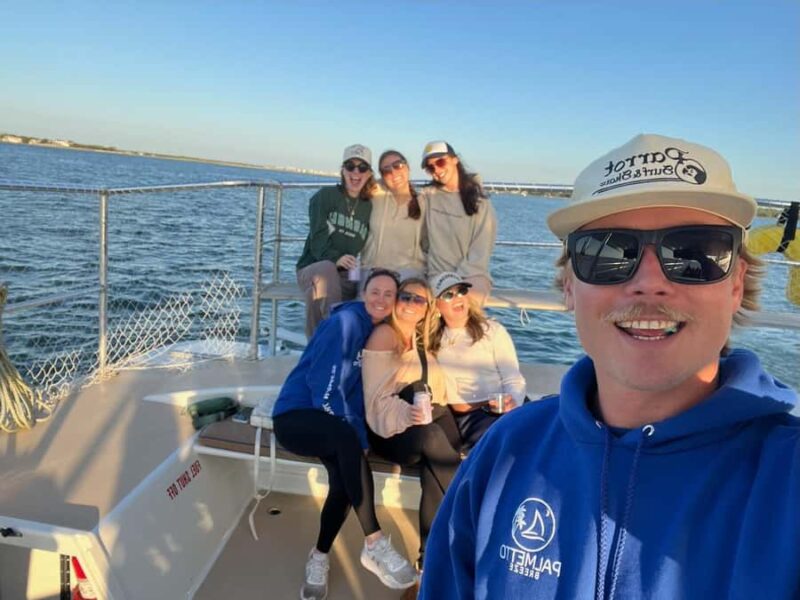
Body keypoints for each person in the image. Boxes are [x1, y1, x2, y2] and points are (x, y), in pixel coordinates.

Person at [420, 134, 800, 599]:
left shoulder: (787, 481)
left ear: (737, 284)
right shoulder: (506, 451)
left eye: (695, 253)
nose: (648, 282)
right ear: (568, 286)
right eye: (607, 251)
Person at [272, 269, 417, 599]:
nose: (380, 299)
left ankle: (319, 556)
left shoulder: (375, 330)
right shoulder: (346, 324)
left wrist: (356, 439)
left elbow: (353, 393)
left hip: (328, 422)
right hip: (295, 415)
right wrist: (352, 437)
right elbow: (323, 387)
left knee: (343, 479)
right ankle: (375, 542)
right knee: (347, 442)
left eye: (388, 295)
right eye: (375, 291)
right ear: (363, 293)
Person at [362, 277, 462, 572]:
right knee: (434, 438)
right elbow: (375, 401)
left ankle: (428, 562)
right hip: (389, 430)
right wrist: (409, 415)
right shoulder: (385, 335)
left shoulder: (419, 339)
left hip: (421, 425)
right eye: (405, 296)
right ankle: (477, 504)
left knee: (435, 471)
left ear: (427, 309)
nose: (409, 304)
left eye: (418, 300)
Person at [428, 271, 526, 452]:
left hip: (497, 409)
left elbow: (513, 378)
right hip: (465, 419)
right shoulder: (430, 340)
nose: (458, 298)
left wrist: (513, 403)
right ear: (436, 306)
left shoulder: (492, 331)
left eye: (461, 291)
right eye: (448, 295)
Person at [296, 143, 376, 338]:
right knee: (325, 271)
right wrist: (336, 258)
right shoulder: (325, 196)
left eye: (362, 168)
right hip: (313, 267)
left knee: (367, 280)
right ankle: (334, 336)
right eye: (350, 166)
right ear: (342, 170)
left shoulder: (369, 206)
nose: (356, 172)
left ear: (369, 174)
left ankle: (323, 344)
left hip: (345, 274)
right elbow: (318, 242)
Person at [420, 141, 497, 305]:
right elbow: (421, 238)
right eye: (430, 168)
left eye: (440, 162)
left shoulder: (479, 200)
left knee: (466, 305)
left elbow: (481, 248)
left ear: (455, 159)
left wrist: (457, 279)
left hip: (472, 274)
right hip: (437, 275)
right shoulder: (427, 196)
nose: (437, 171)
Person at [360, 150, 428, 281]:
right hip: (371, 273)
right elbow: (356, 181)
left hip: (408, 276)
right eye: (386, 170)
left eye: (398, 165)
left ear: (407, 167)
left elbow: (429, 245)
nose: (393, 172)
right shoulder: (375, 192)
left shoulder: (423, 203)